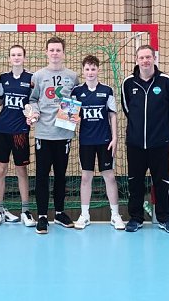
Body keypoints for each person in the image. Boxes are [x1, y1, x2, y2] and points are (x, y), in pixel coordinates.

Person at [121, 45, 169, 234]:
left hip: (160, 143)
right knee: (135, 182)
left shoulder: (166, 81)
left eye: (148, 57)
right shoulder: (128, 83)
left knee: (161, 182)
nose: (145, 61)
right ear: (136, 60)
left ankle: (165, 218)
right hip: (135, 144)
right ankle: (136, 218)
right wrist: (139, 128)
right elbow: (127, 109)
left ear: (154, 58)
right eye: (141, 57)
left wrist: (161, 125)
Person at [28, 36, 79, 234]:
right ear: (46, 52)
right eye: (52, 50)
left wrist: (76, 115)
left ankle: (59, 212)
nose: (55, 53)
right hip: (43, 133)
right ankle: (42, 216)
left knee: (60, 176)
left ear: (63, 53)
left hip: (63, 133)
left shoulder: (73, 76)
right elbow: (32, 99)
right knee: (41, 176)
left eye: (58, 50)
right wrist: (34, 112)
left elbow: (76, 100)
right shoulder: (38, 76)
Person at [70, 55, 126, 230]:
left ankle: (115, 215)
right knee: (86, 177)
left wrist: (115, 138)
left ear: (98, 70)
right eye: (87, 69)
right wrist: (71, 119)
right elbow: (71, 116)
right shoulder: (77, 91)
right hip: (86, 141)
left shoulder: (107, 90)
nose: (90, 72)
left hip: (105, 141)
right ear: (83, 71)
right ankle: (85, 214)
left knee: (109, 176)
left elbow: (113, 115)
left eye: (93, 69)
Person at [0, 44, 35, 228]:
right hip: (2, 130)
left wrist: (32, 115)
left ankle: (25, 211)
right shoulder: (3, 78)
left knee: (21, 170)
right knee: (0, 170)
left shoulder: (31, 79)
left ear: (24, 57)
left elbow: (33, 103)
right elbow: (0, 101)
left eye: (19, 55)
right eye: (13, 55)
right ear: (9, 58)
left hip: (20, 132)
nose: (16, 57)